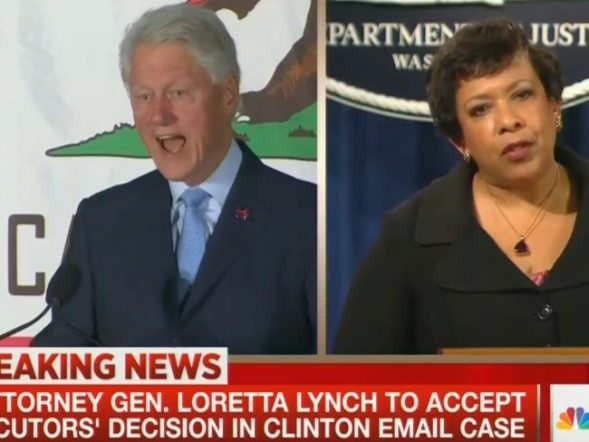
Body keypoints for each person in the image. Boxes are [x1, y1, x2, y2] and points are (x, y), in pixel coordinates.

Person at [32, 3, 316, 353]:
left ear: (228, 94)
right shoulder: (102, 222)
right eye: (144, 97)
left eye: (178, 93)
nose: (158, 115)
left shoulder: (310, 219)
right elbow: (61, 358)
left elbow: (348, 368)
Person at [334, 18, 589, 354]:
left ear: (553, 107)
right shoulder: (409, 236)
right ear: (459, 140)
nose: (509, 121)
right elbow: (358, 377)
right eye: (481, 109)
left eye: (522, 94)